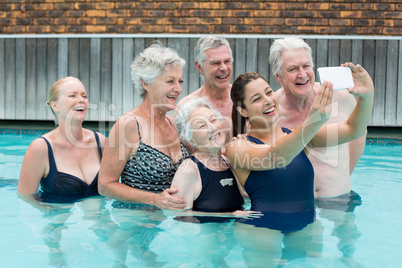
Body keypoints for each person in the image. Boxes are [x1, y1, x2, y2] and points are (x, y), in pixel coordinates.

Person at [225, 68, 374, 266]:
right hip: (262, 229)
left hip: (305, 225)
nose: (268, 100)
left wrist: (367, 95)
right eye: (256, 99)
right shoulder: (237, 147)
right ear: (243, 110)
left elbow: (353, 129)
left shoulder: (297, 136)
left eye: (269, 92)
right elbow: (275, 157)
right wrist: (312, 123)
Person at [97, 43, 189, 267]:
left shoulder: (172, 119)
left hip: (167, 223)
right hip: (136, 224)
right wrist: (155, 199)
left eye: (180, 81)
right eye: (170, 81)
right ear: (145, 83)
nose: (178, 88)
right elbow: (105, 185)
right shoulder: (129, 124)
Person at [17, 76, 107, 266]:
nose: (81, 100)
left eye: (84, 95)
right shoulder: (40, 148)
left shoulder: (101, 142)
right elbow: (25, 197)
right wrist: (48, 213)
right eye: (72, 95)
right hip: (60, 231)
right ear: (55, 106)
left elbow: (113, 185)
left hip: (98, 226)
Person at [269, 37, 367, 203]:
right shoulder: (270, 109)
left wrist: (343, 176)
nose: (302, 74)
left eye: (306, 66)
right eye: (292, 69)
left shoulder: (340, 98)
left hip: (338, 197)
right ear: (278, 76)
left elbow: (359, 133)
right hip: (293, 203)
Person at [175, 36, 234, 143]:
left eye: (227, 61)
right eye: (215, 63)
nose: (224, 68)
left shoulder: (245, 97)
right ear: (199, 66)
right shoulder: (186, 107)